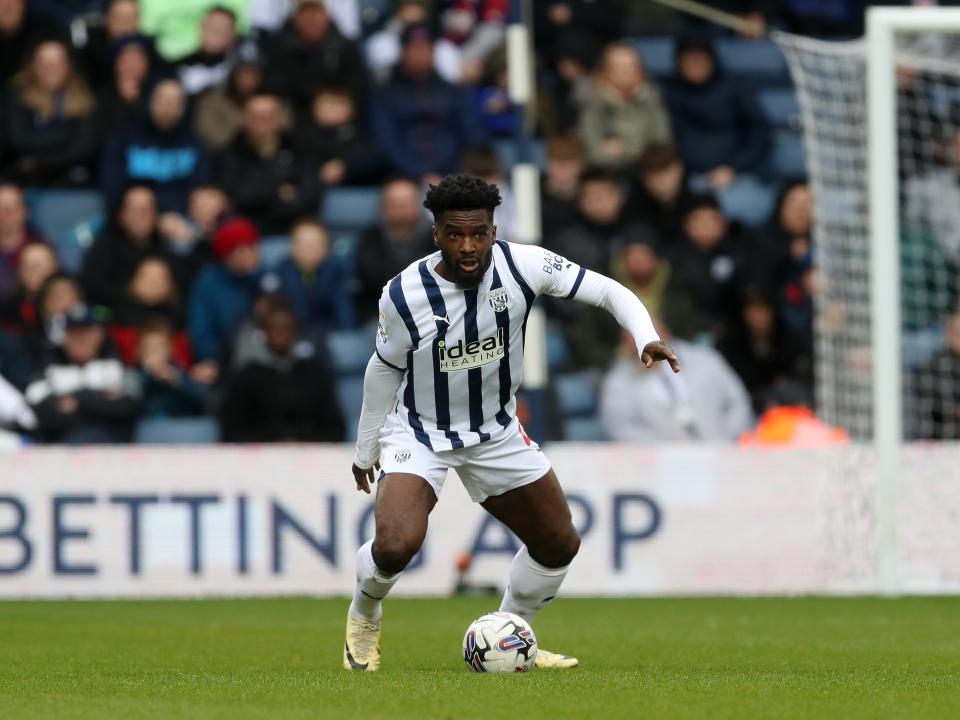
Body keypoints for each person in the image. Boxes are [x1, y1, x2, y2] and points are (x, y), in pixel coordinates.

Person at [343, 173, 680, 671]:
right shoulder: (403, 294)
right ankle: (363, 618)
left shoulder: (525, 265)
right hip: (419, 431)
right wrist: (364, 447)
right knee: (396, 544)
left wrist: (643, 335)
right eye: (455, 234)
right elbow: (382, 370)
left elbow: (610, 292)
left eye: (478, 233)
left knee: (559, 542)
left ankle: (510, 634)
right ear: (435, 234)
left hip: (495, 430)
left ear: (494, 230)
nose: (468, 246)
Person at [370, 22, 486, 183]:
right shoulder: (386, 95)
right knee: (400, 195)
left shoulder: (454, 92)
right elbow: (385, 144)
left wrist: (451, 174)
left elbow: (472, 136)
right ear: (403, 52)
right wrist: (420, 175)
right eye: (413, 48)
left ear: (433, 52)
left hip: (454, 175)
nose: (419, 54)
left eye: (424, 48)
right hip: (403, 178)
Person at [219, 301, 345, 442]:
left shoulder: (313, 373)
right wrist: (272, 445)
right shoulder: (246, 376)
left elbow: (335, 427)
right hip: (259, 456)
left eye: (286, 328)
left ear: (295, 332)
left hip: (308, 454)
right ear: (265, 332)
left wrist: (302, 443)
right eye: (274, 328)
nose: (280, 333)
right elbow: (232, 429)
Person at [600, 327, 752, 443]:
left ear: (665, 331)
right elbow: (620, 428)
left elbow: (738, 400)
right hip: (664, 466)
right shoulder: (618, 381)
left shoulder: (706, 359)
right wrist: (662, 448)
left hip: (721, 452)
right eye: (632, 338)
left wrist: (727, 437)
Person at [25, 302, 141, 444]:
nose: (80, 338)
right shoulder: (47, 370)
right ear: (64, 336)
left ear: (99, 334)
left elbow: (127, 409)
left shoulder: (118, 367)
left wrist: (77, 400)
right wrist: (101, 399)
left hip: (112, 451)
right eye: (74, 332)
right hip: (59, 451)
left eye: (87, 332)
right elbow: (37, 414)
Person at [664, 36, 768, 189]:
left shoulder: (734, 88)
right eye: (689, 59)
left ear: (712, 60)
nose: (695, 65)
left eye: (700, 59)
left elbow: (758, 133)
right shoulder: (667, 92)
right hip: (682, 177)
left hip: (736, 175)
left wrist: (734, 167)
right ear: (678, 62)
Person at [100, 78, 212, 214]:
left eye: (175, 102)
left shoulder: (195, 144)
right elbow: (113, 189)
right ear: (150, 101)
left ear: (183, 108)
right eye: (162, 100)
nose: (168, 108)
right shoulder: (124, 139)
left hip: (181, 220)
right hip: (133, 219)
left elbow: (199, 189)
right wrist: (158, 218)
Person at [217, 91, 320, 235]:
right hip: (247, 232)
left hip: (292, 228)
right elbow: (236, 196)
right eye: (257, 117)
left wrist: (261, 197)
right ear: (244, 117)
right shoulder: (232, 152)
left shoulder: (299, 149)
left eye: (270, 116)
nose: (264, 123)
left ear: (281, 117)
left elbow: (309, 197)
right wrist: (279, 192)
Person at [3, 38, 99, 186]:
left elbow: (84, 149)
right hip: (25, 185)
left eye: (57, 62)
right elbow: (19, 141)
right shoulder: (17, 95)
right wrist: (67, 134)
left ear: (69, 66)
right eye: (44, 62)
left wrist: (38, 162)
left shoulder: (84, 98)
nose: (50, 68)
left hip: (74, 186)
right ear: (33, 66)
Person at [187, 216, 264, 376]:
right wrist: (212, 359)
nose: (245, 255)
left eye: (250, 247)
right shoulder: (208, 283)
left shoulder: (268, 279)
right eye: (238, 250)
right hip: (224, 364)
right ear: (226, 255)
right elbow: (201, 330)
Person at [578, 42, 672, 171]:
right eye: (618, 67)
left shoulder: (653, 100)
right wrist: (642, 148)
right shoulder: (592, 102)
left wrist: (622, 150)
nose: (625, 72)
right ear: (604, 71)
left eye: (631, 66)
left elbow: (661, 147)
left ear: (641, 70)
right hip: (607, 174)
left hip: (649, 172)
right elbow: (594, 154)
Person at [353, 177, 435, 324]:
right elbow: (369, 276)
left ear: (418, 205)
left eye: (404, 203)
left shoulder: (436, 237)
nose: (399, 209)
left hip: (428, 313)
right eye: (393, 203)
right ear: (383, 208)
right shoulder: (370, 237)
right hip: (379, 315)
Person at [274, 217, 355, 330]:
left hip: (327, 333)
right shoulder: (283, 271)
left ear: (326, 248)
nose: (308, 249)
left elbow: (344, 312)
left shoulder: (335, 271)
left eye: (314, 243)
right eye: (301, 243)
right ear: (292, 247)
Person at [136, 316, 210, 418]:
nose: (155, 354)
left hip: (178, 427)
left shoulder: (179, 372)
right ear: (139, 352)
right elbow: (132, 400)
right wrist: (148, 375)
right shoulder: (134, 375)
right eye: (150, 350)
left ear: (170, 350)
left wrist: (178, 380)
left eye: (160, 348)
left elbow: (204, 397)